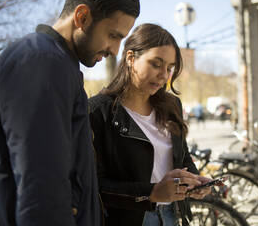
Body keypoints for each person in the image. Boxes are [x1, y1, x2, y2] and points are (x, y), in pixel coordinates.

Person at [0, 0, 139, 225]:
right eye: (113, 35)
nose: (115, 50)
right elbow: (41, 191)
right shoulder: (41, 63)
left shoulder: (56, 64)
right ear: (82, 17)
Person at [88, 24, 212, 226]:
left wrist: (195, 181)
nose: (164, 75)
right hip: (130, 219)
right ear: (130, 58)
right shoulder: (96, 112)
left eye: (170, 68)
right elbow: (95, 185)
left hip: (172, 214)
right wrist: (151, 193)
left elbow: (182, 156)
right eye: (156, 64)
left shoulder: (172, 105)